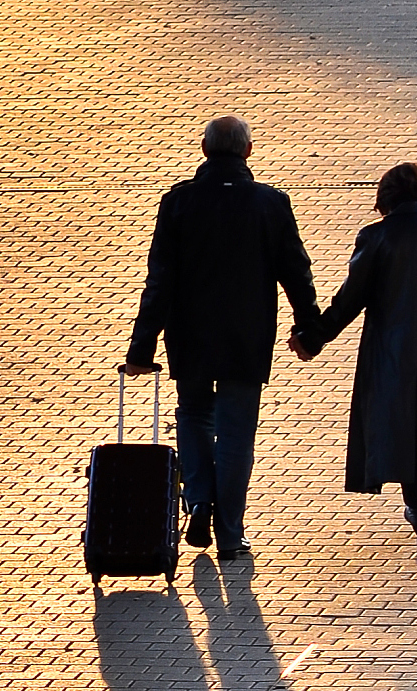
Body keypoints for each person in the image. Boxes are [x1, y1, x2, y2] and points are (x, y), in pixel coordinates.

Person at [124, 116, 319, 562]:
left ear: (204, 149)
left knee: (193, 415)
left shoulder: (179, 202)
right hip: (246, 337)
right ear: (248, 151)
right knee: (236, 432)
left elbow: (160, 281)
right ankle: (230, 533)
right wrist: (308, 328)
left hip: (189, 334)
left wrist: (141, 347)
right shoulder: (270, 204)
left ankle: (198, 500)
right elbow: (295, 271)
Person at [289, 162, 417, 568]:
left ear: (386, 199)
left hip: (390, 354)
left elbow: (349, 300)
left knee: (403, 432)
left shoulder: (376, 237)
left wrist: (313, 338)